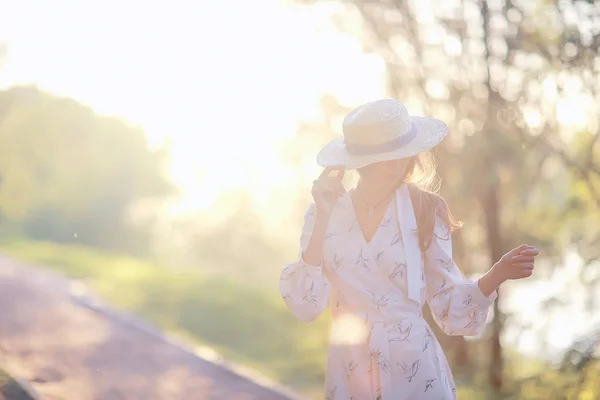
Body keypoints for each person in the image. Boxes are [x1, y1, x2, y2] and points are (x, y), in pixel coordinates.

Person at [279, 99, 539, 400]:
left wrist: (496, 275)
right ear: (359, 160)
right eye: (384, 155)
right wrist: (323, 215)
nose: (397, 163)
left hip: (415, 370)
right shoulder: (324, 214)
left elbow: (447, 308)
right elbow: (305, 303)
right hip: (351, 369)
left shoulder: (425, 209)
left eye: (401, 152)